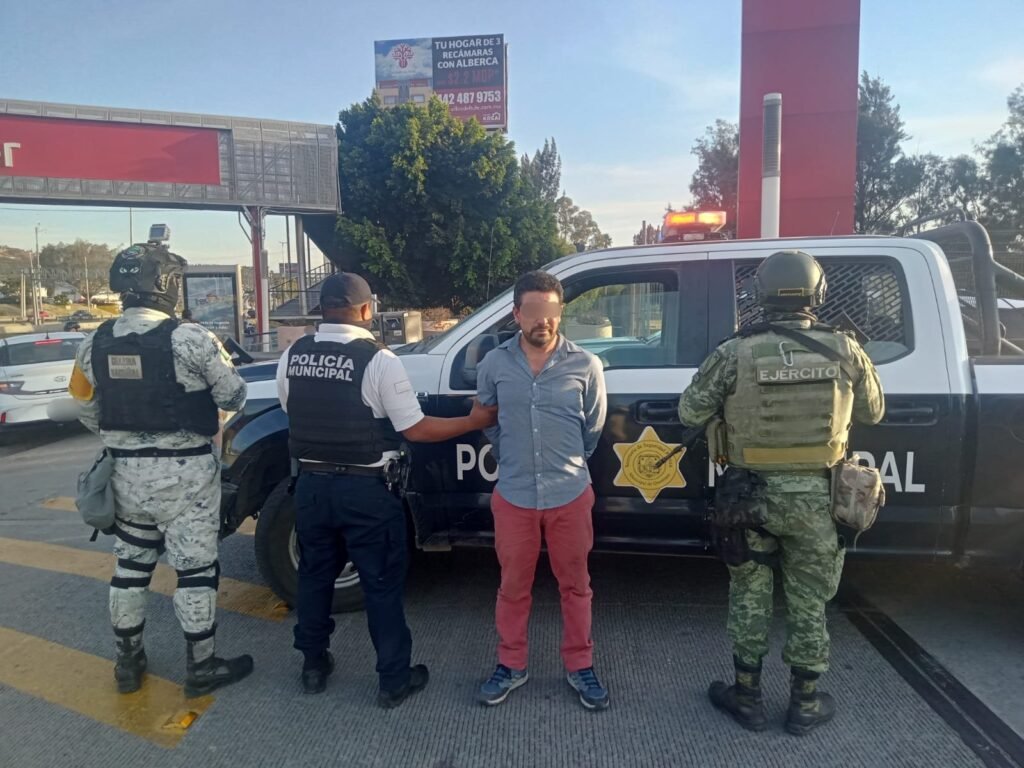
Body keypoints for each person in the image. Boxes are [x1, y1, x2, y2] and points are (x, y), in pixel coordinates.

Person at [677, 250, 885, 735]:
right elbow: (873, 411)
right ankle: (805, 704)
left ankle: (747, 698)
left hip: (749, 500)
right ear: (818, 292)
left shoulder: (735, 352)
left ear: (761, 294)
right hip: (820, 501)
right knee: (809, 600)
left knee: (750, 595)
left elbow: (689, 411)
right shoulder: (845, 348)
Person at [276, 272, 497, 707]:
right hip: (366, 493)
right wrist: (473, 421)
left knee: (315, 576)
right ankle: (394, 679)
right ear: (365, 310)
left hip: (312, 488)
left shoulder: (294, 354)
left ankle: (313, 666)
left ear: (323, 309)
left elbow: (291, 408)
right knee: (380, 584)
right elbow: (416, 429)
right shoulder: (378, 360)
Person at [68, 241, 253, 698]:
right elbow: (234, 395)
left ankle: (127, 664)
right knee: (195, 571)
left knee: (130, 568)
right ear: (167, 285)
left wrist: (126, 439)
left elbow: (84, 406)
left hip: (125, 478)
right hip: (187, 478)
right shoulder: (191, 339)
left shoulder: (93, 342)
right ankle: (202, 666)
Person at [474, 270, 609, 710]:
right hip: (514, 496)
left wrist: (566, 463)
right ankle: (511, 664)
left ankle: (580, 665)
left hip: (570, 494)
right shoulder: (494, 365)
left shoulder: (586, 365)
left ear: (561, 312)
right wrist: (515, 458)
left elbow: (592, 429)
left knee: (576, 586)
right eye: (533, 311)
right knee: (513, 587)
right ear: (516, 314)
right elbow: (488, 421)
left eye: (550, 311)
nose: (543, 320)